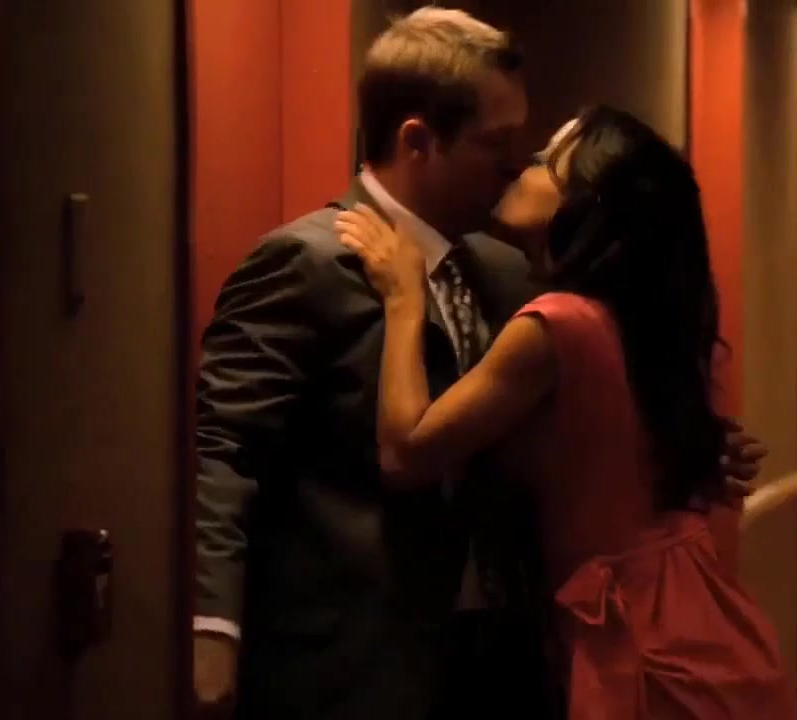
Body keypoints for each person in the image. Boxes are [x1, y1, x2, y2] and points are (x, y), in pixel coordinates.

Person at [192, 8, 766, 720]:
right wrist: (213, 626)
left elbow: (573, 413)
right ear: (418, 141)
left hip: (508, 656)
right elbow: (226, 449)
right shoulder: (306, 261)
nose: (515, 162)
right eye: (497, 142)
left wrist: (683, 446)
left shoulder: (514, 272)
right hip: (355, 659)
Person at [334, 104, 796, 720]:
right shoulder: (645, 321)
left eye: (544, 162)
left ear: (586, 202)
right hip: (692, 610)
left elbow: (404, 452)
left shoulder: (558, 324)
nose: (519, 168)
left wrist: (403, 297)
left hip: (636, 636)